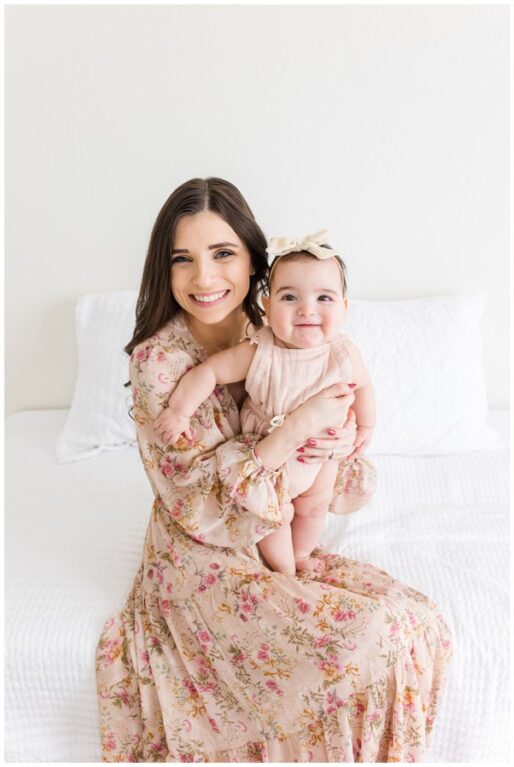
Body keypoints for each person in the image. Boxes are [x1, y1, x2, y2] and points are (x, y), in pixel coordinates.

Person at [95, 177, 451, 761]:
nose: (204, 279)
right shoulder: (158, 364)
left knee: (416, 621)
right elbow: (197, 503)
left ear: (256, 265)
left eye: (223, 254)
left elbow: (347, 424)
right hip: (204, 552)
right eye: (182, 260)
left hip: (277, 525)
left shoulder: (277, 330)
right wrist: (293, 430)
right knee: (363, 640)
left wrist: (334, 440)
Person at [152, 229, 375, 576]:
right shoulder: (260, 351)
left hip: (319, 457)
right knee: (275, 514)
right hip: (269, 458)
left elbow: (363, 386)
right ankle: (284, 569)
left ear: (344, 308)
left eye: (324, 299)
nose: (306, 310)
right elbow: (209, 371)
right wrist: (179, 411)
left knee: (314, 507)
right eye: (289, 298)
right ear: (267, 306)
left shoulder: (342, 354)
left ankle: (300, 555)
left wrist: (365, 426)